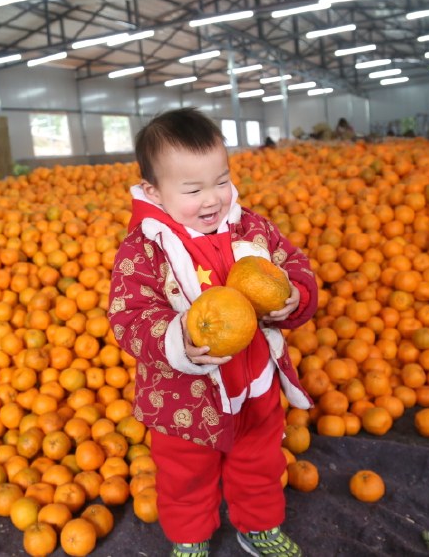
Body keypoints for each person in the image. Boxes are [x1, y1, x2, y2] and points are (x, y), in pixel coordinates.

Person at [108, 108, 318, 557]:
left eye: (221, 181)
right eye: (192, 189)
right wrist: (176, 340)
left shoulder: (252, 228)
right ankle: (189, 538)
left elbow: (293, 263)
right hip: (184, 399)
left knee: (260, 463)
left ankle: (259, 526)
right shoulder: (143, 249)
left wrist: (296, 296)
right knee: (184, 475)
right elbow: (128, 315)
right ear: (153, 191)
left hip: (256, 386)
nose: (212, 199)